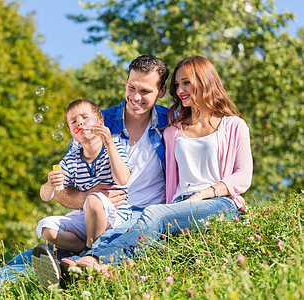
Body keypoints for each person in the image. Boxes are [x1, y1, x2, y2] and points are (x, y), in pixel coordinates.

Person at [0, 54, 170, 299]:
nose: (135, 97)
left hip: (140, 219)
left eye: (145, 91)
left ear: (161, 91)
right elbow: (63, 187)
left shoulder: (171, 124)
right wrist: (88, 196)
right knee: (32, 256)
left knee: (69, 254)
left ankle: (74, 271)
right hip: (95, 216)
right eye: (130, 87)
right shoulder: (95, 122)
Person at [56, 55, 253, 274]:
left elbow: (243, 177)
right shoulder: (173, 130)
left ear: (160, 93)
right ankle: (76, 267)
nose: (180, 90)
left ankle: (91, 260)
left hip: (216, 201)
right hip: (162, 206)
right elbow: (61, 185)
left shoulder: (230, 125)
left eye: (186, 82)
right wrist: (82, 196)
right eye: (178, 85)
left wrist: (204, 193)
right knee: (44, 248)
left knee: (153, 215)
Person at [33, 99, 132, 286]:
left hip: (116, 215)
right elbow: (46, 196)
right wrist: (49, 183)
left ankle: (88, 255)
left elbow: (122, 179)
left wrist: (109, 143)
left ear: (100, 124)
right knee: (47, 229)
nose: (79, 122)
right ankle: (84, 250)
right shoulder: (71, 159)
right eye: (73, 121)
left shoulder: (115, 146)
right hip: (88, 216)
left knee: (94, 199)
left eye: (85, 117)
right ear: (72, 132)